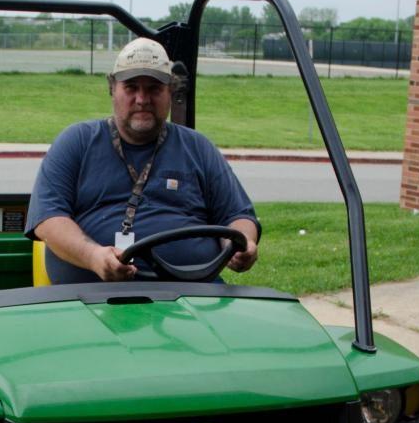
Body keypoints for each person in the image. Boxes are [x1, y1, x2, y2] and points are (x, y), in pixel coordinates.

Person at [25, 37, 260, 284]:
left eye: (154, 88)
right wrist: (94, 256)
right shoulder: (77, 142)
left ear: (170, 91)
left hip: (194, 295)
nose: (142, 99)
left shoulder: (199, 148)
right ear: (112, 88)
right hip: (93, 300)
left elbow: (238, 215)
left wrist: (241, 243)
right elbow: (48, 219)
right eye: (131, 87)